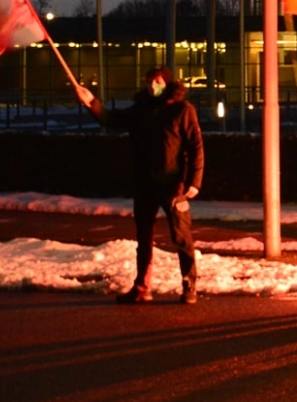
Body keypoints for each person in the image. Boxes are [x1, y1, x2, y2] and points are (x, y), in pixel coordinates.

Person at [78, 65, 203, 305]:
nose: (151, 85)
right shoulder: (141, 110)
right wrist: (91, 101)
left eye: (156, 80)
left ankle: (189, 285)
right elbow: (111, 119)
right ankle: (142, 287)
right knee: (143, 239)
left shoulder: (182, 110)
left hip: (173, 186)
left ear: (167, 83)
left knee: (182, 237)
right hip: (145, 184)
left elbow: (195, 146)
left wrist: (193, 182)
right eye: (149, 81)